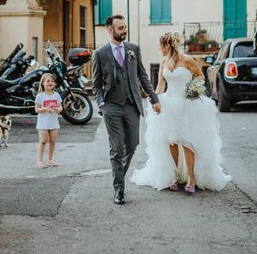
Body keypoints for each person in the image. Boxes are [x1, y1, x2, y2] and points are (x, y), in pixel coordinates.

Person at [131, 32, 231, 194]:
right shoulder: (164, 62)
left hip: (187, 104)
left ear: (167, 45)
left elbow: (200, 76)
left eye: (160, 46)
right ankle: (175, 175)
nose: (159, 49)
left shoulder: (187, 60)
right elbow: (161, 84)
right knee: (171, 140)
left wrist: (192, 88)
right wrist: (155, 100)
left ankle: (191, 177)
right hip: (169, 103)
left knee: (187, 141)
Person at [92, 14, 161, 205]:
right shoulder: (100, 53)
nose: (124, 31)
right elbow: (96, 85)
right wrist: (101, 104)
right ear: (110, 30)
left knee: (131, 145)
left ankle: (119, 175)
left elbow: (143, 75)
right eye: (120, 28)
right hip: (111, 106)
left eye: (125, 27)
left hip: (132, 105)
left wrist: (154, 98)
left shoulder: (133, 49)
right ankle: (119, 190)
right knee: (116, 149)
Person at [34, 73, 63, 168]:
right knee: (43, 141)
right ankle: (39, 161)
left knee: (53, 141)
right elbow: (36, 109)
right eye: (48, 81)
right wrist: (45, 109)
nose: (50, 83)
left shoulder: (57, 95)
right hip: (43, 123)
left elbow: (60, 107)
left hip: (53, 121)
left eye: (52, 81)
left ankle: (50, 159)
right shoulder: (40, 96)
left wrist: (59, 110)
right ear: (42, 83)